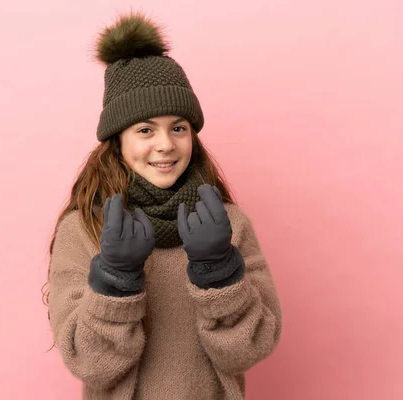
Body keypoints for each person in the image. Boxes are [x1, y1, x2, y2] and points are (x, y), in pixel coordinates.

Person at [44, 11, 282, 400]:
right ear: (117, 141)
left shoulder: (228, 225)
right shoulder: (84, 228)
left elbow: (250, 350)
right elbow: (89, 364)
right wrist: (115, 278)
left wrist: (218, 269)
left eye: (178, 127)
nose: (165, 144)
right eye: (144, 130)